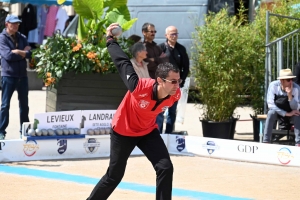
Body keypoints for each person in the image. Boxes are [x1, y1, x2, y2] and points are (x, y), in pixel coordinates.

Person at [86, 23, 181, 200]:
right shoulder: (139, 87)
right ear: (160, 81)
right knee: (114, 176)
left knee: (165, 167)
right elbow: (122, 62)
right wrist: (110, 40)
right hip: (123, 131)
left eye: (179, 81)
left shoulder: (175, 94)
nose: (177, 86)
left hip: (147, 131)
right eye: (173, 81)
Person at [0, 15, 32, 140]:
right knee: (5, 105)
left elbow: (30, 53)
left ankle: (24, 130)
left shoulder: (22, 37)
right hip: (9, 75)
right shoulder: (2, 38)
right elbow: (8, 56)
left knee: (24, 105)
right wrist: (22, 52)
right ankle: (1, 131)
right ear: (7, 24)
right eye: (13, 23)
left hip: (22, 76)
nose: (16, 26)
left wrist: (17, 51)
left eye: (17, 23)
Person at [156, 26, 190, 133]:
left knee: (172, 111)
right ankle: (159, 133)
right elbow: (155, 66)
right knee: (160, 110)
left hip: (175, 85)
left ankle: (169, 133)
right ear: (166, 35)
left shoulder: (181, 49)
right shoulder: (161, 48)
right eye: (172, 34)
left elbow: (186, 67)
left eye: (176, 34)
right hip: (163, 85)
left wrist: (181, 80)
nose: (174, 36)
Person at [263, 68, 300, 146]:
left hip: (291, 112)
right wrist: (286, 113)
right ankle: (266, 141)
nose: (291, 82)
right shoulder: (273, 85)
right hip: (278, 111)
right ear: (281, 81)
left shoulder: (296, 88)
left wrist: (290, 96)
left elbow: (296, 108)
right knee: (271, 113)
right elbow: (270, 105)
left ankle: (298, 143)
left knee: (297, 115)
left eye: (292, 79)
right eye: (288, 80)